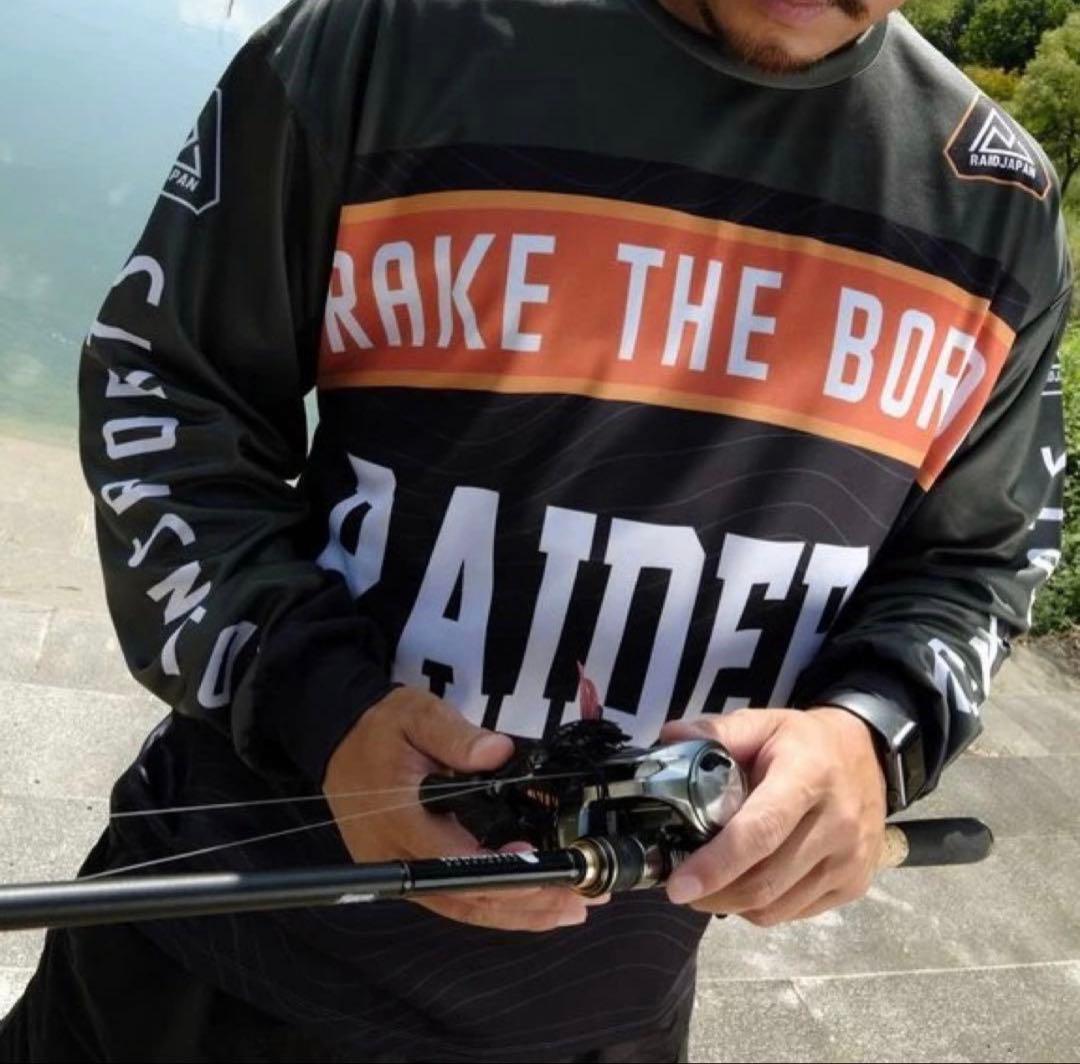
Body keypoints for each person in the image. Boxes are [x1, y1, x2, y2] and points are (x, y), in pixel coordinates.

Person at [0, 0, 1068, 1060]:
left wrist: (871, 731)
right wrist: (318, 699)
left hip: (614, 1011)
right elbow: (168, 390)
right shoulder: (381, 39)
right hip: (205, 960)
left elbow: (979, 556)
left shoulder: (1000, 206)